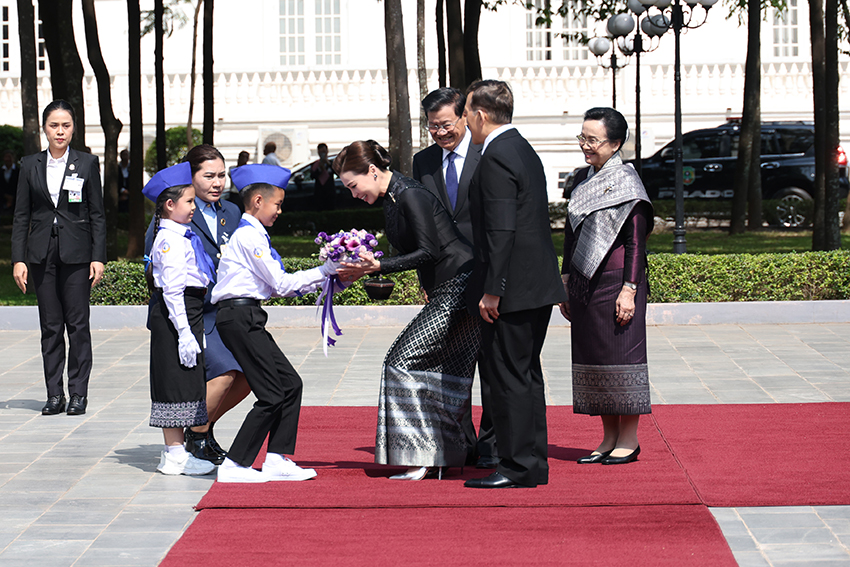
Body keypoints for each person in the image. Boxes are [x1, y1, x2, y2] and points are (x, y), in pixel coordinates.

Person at [334, 140, 481, 481]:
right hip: (449, 287)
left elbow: (429, 251)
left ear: (372, 171)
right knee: (445, 368)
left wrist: (378, 267)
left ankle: (426, 455)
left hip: (461, 285)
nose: (354, 194)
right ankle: (449, 452)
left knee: (401, 362)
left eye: (354, 186)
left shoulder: (410, 194)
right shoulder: (394, 197)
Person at [461, 80, 566, 489]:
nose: (466, 121)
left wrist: (493, 288)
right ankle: (529, 463)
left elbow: (501, 230)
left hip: (513, 291)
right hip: (531, 287)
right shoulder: (519, 147)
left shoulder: (497, 156)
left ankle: (519, 466)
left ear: (481, 116)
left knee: (508, 378)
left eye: (467, 113)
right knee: (524, 376)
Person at [212, 163, 339, 483]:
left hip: (247, 315)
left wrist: (330, 276)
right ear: (257, 201)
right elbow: (281, 285)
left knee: (290, 384)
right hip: (239, 317)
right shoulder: (249, 237)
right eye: (277, 204)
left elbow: (274, 286)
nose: (280, 211)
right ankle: (235, 465)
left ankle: (276, 458)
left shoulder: (254, 235)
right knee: (271, 393)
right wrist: (326, 271)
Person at [559, 107, 653, 466]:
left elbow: (635, 243)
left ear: (615, 144)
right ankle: (608, 437)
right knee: (595, 359)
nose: (585, 145)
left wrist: (629, 289)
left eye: (592, 140)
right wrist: (567, 279)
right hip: (585, 283)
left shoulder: (629, 184)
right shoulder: (584, 180)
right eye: (582, 137)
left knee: (622, 359)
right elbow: (571, 234)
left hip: (617, 283)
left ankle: (628, 439)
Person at [145, 144, 249, 465]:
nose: (218, 183)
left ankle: (202, 430)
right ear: (191, 178)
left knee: (248, 376)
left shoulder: (231, 212)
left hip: (226, 309)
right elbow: (156, 267)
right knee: (226, 372)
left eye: (222, 175)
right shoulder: (174, 212)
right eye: (209, 176)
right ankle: (196, 436)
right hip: (193, 312)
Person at [412, 87, 496, 469]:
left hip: (486, 275)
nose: (440, 133)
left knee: (491, 364)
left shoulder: (488, 153)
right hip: (445, 279)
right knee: (451, 367)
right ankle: (462, 441)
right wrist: (426, 282)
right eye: (433, 127)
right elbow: (420, 230)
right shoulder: (423, 162)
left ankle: (493, 446)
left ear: (464, 117)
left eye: (446, 124)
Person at [11, 100, 106, 416]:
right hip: (40, 255)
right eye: (54, 125)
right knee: (50, 326)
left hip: (77, 254)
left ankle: (78, 393)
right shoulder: (29, 165)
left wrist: (98, 256)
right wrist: (19, 259)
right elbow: (21, 215)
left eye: (66, 125)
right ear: (45, 128)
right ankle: (55, 394)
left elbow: (97, 214)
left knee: (78, 325)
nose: (60, 131)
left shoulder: (87, 163)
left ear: (73, 128)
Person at [142, 162, 216, 476]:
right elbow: (172, 290)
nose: (193, 207)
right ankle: (174, 454)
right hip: (176, 314)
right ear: (170, 205)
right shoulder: (169, 240)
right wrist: (184, 332)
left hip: (187, 311)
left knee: (185, 382)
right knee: (173, 381)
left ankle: (177, 453)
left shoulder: (180, 235)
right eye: (188, 201)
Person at [310, 143, 335, 210]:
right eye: (321, 152)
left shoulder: (332, 163)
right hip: (319, 192)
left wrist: (328, 163)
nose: (323, 154)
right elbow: (312, 176)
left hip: (330, 191)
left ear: (327, 152)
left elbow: (337, 173)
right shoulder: (315, 165)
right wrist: (319, 168)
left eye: (324, 152)